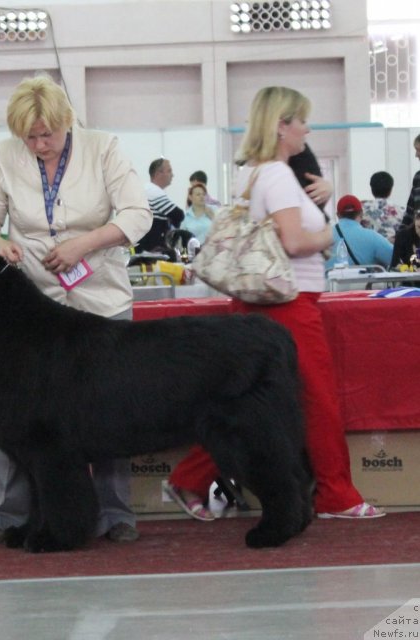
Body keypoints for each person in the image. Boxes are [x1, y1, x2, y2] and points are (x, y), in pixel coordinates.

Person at [166, 86, 385, 522]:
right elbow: (296, 240)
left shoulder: (256, 173)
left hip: (260, 301)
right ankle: (336, 493)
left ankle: (189, 477)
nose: (307, 128)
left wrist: (322, 196)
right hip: (288, 304)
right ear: (282, 126)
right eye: (301, 120)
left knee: (245, 403)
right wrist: (328, 235)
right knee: (318, 400)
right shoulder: (279, 176)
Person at [0, 74, 153, 546]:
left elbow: (137, 215)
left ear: (66, 122)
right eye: (29, 136)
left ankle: (116, 514)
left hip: (100, 296)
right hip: (34, 307)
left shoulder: (103, 147)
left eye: (47, 133)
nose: (39, 143)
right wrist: (0, 244)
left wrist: (83, 245)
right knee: (17, 411)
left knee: (110, 410)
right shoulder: (6, 156)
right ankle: (3, 515)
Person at [326, 194, 393, 269]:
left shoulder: (324, 236)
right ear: (361, 213)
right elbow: (395, 260)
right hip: (361, 281)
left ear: (338, 215)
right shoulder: (373, 237)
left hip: (328, 280)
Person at [136, 157, 184, 253]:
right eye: (169, 171)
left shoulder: (148, 190)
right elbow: (178, 214)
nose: (172, 175)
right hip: (152, 249)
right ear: (159, 173)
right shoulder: (153, 191)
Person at [361, 171, 405, 243]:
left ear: (371, 189)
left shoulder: (361, 208)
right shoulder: (401, 211)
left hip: (368, 251)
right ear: (390, 190)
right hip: (393, 251)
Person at [402, 133, 420, 228]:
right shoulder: (418, 177)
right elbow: (410, 211)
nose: (416, 155)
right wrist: (400, 235)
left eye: (418, 150)